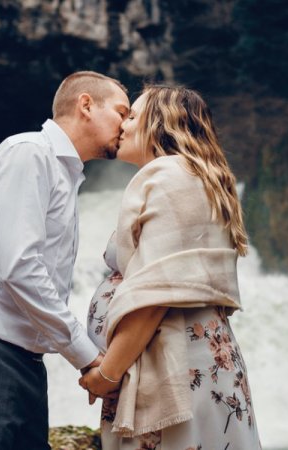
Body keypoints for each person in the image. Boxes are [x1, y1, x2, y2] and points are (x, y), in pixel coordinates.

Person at [0, 71, 130, 450]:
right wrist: (86, 357)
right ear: (86, 104)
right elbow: (20, 267)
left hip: (21, 361)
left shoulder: (65, 175)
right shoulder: (30, 153)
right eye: (121, 111)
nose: (127, 123)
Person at [80, 85, 262, 449]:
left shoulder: (170, 176)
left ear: (161, 124)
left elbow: (156, 293)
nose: (123, 125)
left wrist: (108, 373)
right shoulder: (193, 177)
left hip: (176, 366)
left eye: (132, 116)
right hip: (188, 359)